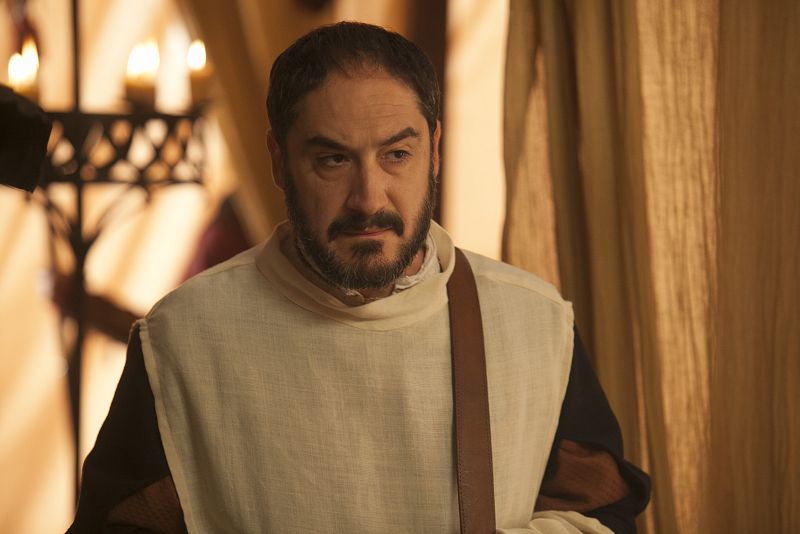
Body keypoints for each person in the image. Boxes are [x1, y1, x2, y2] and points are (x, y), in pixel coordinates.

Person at [68, 22, 650, 533]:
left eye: (396, 155)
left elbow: (598, 510)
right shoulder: (184, 337)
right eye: (333, 160)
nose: (369, 199)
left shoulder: (533, 323)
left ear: (434, 150)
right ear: (278, 161)